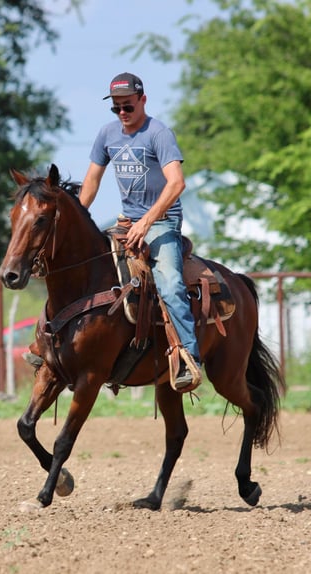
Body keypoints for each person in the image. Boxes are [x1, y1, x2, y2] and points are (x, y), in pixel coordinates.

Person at [79, 72, 200, 390]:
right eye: (116, 108)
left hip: (161, 222)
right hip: (126, 223)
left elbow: (177, 183)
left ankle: (189, 356)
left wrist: (146, 222)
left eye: (127, 107)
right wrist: (79, 215)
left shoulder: (158, 133)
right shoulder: (106, 135)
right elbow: (91, 181)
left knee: (171, 284)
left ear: (142, 100)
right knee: (86, 271)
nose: (122, 113)